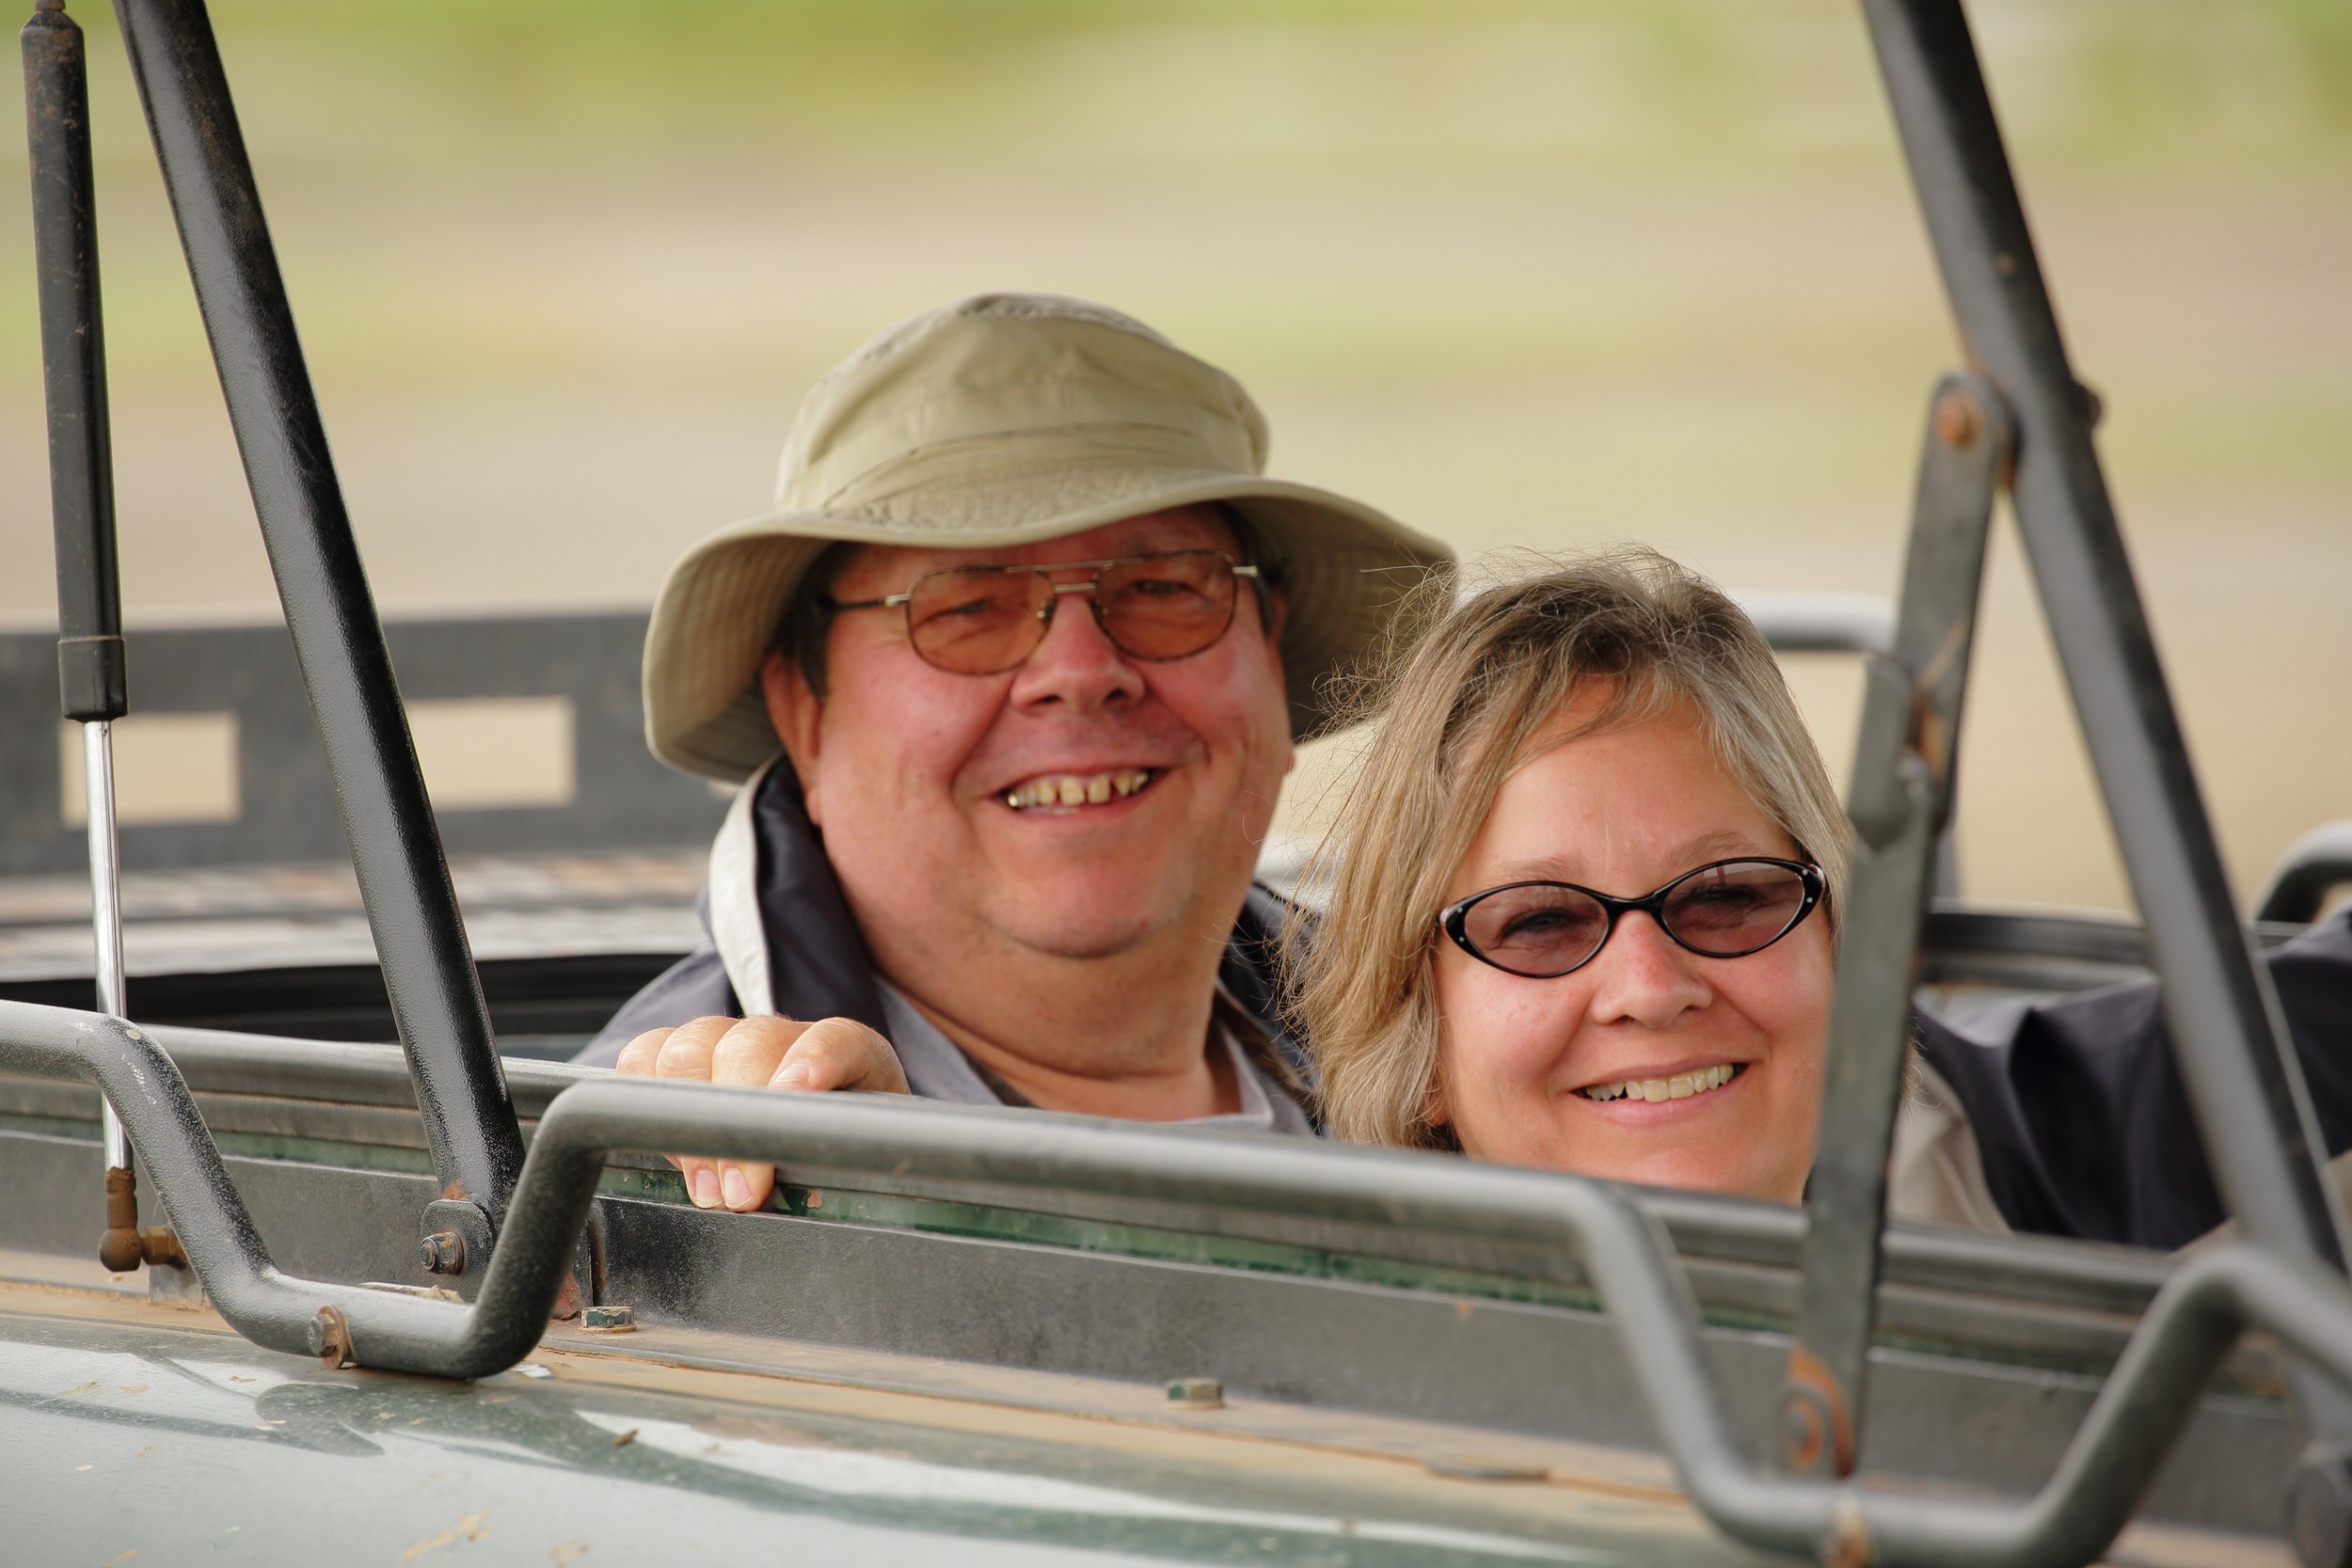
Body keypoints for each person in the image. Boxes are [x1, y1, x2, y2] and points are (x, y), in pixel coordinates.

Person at [580, 292, 1452, 1212]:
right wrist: (867, 1202)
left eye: (1162, 586)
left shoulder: (1473, 1044)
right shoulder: (647, 1167)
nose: (1078, 669)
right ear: (807, 716)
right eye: (964, 608)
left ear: (1269, 656)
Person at [1291, 548, 2352, 1247]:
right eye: (1541, 921)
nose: (1650, 987)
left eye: (1727, 896)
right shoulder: (1296, 1370)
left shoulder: (2045, 1165)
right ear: (1418, 1036)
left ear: (1845, 943)